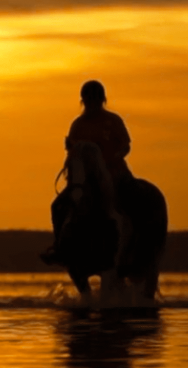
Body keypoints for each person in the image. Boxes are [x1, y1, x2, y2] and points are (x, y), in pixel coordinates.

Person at [41, 80, 134, 265]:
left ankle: (140, 244)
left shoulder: (113, 121)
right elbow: (73, 153)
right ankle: (60, 246)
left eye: (96, 101)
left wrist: (112, 159)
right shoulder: (78, 125)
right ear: (83, 101)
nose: (92, 105)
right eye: (88, 101)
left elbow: (125, 145)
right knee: (58, 206)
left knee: (136, 198)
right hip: (86, 180)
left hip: (115, 174)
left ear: (102, 100)